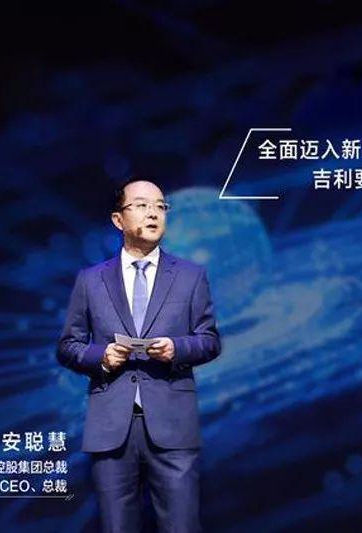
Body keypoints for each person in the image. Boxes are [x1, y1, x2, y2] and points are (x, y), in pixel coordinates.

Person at [56, 177, 221, 532]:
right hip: (112, 427)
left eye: (160, 206)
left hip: (173, 425)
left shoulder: (191, 276)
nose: (153, 213)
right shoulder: (91, 280)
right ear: (118, 220)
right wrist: (101, 357)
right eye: (142, 205)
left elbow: (209, 341)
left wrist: (177, 348)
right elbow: (68, 347)